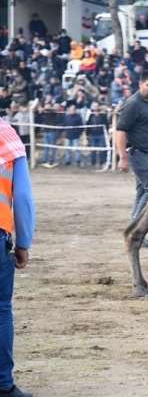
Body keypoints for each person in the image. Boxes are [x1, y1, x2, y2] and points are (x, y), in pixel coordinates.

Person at [0, 117, 36, 397]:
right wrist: (23, 242)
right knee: (1, 311)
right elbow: (22, 197)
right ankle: (3, 385)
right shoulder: (6, 135)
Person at [116, 71, 148, 248]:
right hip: (138, 153)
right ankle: (136, 232)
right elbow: (120, 130)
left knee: (142, 193)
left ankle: (134, 234)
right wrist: (122, 157)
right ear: (140, 85)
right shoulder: (133, 104)